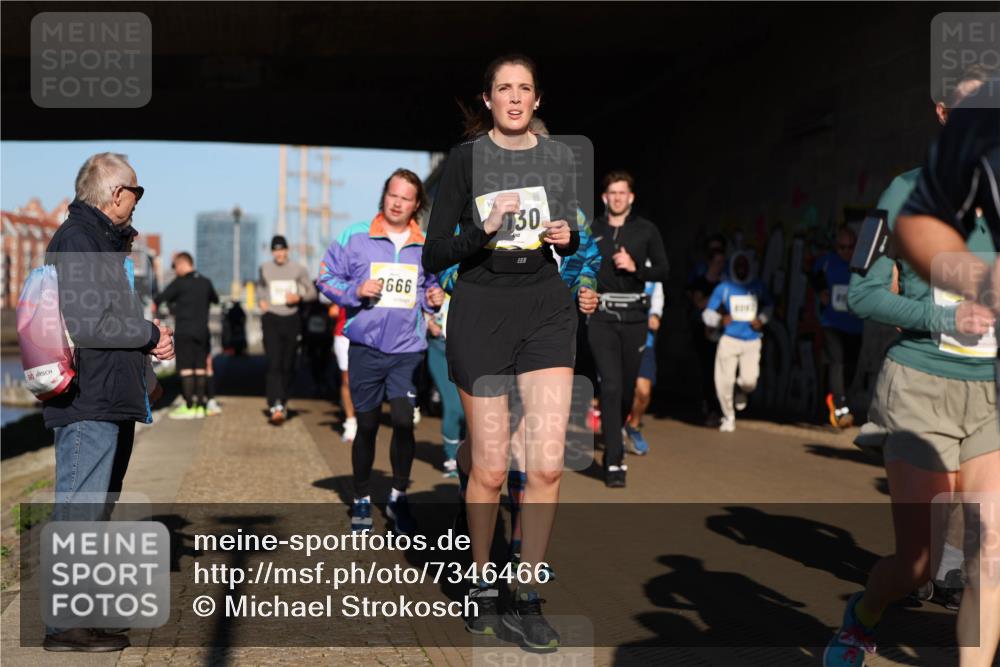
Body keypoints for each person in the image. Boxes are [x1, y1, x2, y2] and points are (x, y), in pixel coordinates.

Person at [830, 77, 999, 667]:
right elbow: (863, 294)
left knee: (990, 555)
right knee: (919, 564)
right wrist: (939, 314)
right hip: (920, 387)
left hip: (992, 397)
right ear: (943, 110)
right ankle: (863, 618)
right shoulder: (903, 192)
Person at [422, 54, 580, 649]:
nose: (515, 98)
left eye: (525, 89)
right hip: (482, 309)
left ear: (537, 101)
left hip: (544, 308)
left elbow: (571, 230)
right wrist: (483, 230)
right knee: (489, 468)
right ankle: (483, 583)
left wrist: (571, 235)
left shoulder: (558, 160)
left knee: (544, 464)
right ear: (487, 100)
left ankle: (528, 594)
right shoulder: (465, 161)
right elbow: (435, 253)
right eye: (504, 89)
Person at [42, 153, 174, 652]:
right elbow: (88, 324)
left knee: (95, 512)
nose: (138, 200)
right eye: (136, 191)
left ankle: (84, 617)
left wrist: (148, 356)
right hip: (88, 400)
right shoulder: (78, 241)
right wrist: (147, 333)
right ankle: (64, 626)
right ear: (116, 194)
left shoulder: (102, 242)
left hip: (110, 396)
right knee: (79, 509)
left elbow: (111, 318)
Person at [317, 168, 444, 536]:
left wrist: (433, 300)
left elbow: (431, 288)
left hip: (407, 350)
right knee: (368, 425)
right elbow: (326, 278)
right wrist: (356, 291)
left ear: (416, 204)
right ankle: (360, 497)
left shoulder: (425, 245)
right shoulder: (354, 236)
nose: (397, 203)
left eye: (405, 198)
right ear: (384, 195)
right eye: (392, 194)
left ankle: (398, 497)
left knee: (404, 420)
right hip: (365, 348)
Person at [588, 170, 669, 487]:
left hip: (635, 317)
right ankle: (614, 459)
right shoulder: (592, 229)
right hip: (603, 316)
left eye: (623, 193)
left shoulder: (646, 231)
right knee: (609, 386)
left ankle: (615, 429)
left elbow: (664, 270)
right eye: (612, 193)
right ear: (604, 197)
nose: (618, 198)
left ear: (631, 198)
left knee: (626, 391)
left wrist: (637, 268)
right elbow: (577, 265)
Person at [702, 251, 772, 433]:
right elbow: (708, 313)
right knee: (724, 381)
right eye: (738, 264)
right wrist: (719, 320)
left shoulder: (758, 286)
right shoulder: (723, 288)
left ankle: (741, 391)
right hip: (729, 340)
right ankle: (728, 417)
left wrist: (762, 320)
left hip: (752, 341)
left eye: (744, 264)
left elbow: (769, 306)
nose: (741, 268)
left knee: (750, 381)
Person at [258, 235, 317, 424]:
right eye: (276, 250)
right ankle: (275, 404)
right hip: (271, 318)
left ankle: (282, 401)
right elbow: (260, 287)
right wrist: (262, 300)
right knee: (274, 363)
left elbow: (312, 292)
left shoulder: (298, 269)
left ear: (287, 250)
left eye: (282, 250)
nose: (279, 253)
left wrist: (298, 297)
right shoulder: (265, 268)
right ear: (272, 252)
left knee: (288, 364)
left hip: (292, 318)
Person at [154, 252, 219, 419]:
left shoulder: (180, 283)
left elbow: (160, 298)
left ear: (183, 264)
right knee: (200, 368)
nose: (175, 271)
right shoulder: (206, 282)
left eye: (176, 267)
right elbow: (216, 299)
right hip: (202, 332)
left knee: (186, 369)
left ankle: (190, 405)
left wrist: (173, 308)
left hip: (185, 331)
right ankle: (200, 407)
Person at [812, 226, 864, 428]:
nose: (846, 252)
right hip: (832, 323)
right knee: (837, 362)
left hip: (855, 325)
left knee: (851, 366)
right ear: (836, 247)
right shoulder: (826, 262)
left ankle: (838, 398)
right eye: (842, 247)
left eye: (850, 247)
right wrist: (821, 292)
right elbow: (813, 276)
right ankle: (841, 408)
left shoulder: (863, 265)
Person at [425, 292, 465, 477]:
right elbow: (414, 299)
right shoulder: (434, 273)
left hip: (469, 350)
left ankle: (467, 452)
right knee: (454, 407)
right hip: (440, 349)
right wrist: (427, 321)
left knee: (468, 411)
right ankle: (452, 458)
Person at [623, 278, 664, 454]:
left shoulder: (652, 267)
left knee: (643, 392)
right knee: (616, 389)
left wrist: (655, 314)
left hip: (644, 340)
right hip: (617, 336)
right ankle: (615, 430)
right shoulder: (615, 259)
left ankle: (633, 426)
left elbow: (657, 297)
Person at [688, 247, 727, 424]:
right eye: (717, 262)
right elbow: (699, 304)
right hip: (703, 332)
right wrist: (716, 296)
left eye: (722, 263)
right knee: (707, 370)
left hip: (722, 332)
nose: (720, 266)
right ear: (710, 262)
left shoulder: (726, 283)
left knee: (722, 371)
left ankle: (721, 408)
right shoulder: (701, 283)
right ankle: (710, 408)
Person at [330, 303, 357, 442]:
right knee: (347, 380)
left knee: (367, 380)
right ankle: (350, 422)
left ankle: (365, 423)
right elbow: (332, 309)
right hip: (343, 334)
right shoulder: (344, 280)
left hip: (369, 333)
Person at [302, 298, 334, 397]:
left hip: (323, 338)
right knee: (316, 361)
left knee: (322, 361)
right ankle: (319, 383)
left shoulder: (325, 306)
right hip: (314, 339)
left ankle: (321, 382)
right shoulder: (310, 307)